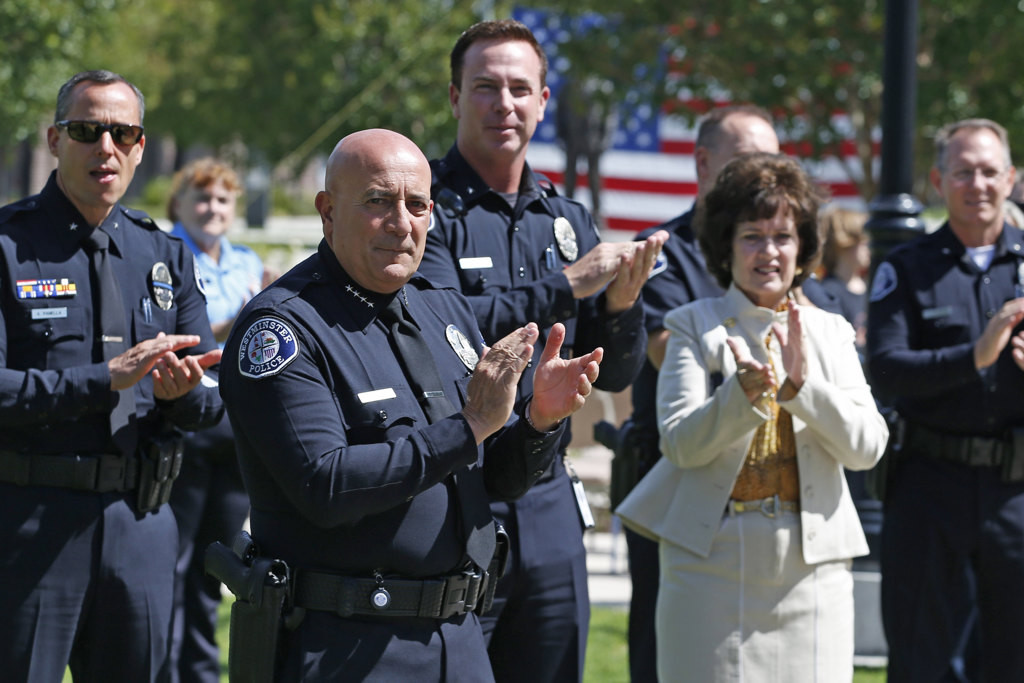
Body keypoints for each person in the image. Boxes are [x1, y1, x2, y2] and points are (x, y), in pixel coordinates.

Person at [217, 128, 603, 681]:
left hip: (459, 637)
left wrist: (538, 420)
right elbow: (324, 486)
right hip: (348, 642)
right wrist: (470, 425)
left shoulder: (441, 309)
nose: (402, 222)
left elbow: (492, 478)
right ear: (328, 211)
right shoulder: (283, 329)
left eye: (417, 204)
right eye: (378, 201)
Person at [420, 19, 667, 682]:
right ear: (453, 97)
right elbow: (444, 327)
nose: (504, 103)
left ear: (543, 102)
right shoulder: (425, 211)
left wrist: (618, 307)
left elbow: (613, 370)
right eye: (485, 87)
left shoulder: (567, 219)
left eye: (519, 89)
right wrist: (564, 286)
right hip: (459, 492)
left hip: (550, 498)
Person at [618, 152, 887, 682]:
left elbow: (867, 448)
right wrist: (739, 399)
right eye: (752, 236)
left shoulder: (830, 331)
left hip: (813, 574)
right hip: (706, 565)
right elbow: (680, 445)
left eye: (783, 236)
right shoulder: (692, 325)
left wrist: (800, 389)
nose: (770, 251)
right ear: (725, 246)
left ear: (803, 246)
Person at [0, 70, 223, 681]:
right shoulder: (7, 246)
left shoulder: (164, 254)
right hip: (31, 523)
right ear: (53, 139)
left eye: (123, 133)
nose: (106, 148)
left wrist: (181, 396)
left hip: (141, 523)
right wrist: (106, 378)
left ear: (140, 146)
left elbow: (208, 397)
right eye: (87, 130)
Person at [619, 103, 780, 682]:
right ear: (704, 164)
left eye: (772, 163)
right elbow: (666, 348)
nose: (764, 178)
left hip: (768, 484)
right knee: (666, 654)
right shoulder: (662, 249)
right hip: (677, 483)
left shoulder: (781, 254)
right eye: (747, 162)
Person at [868, 118, 1024, 682]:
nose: (977, 184)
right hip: (928, 484)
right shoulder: (906, 268)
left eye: (989, 171)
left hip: (1016, 492)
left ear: (1011, 177)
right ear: (938, 180)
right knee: (921, 658)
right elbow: (885, 370)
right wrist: (974, 357)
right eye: (963, 172)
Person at [165, 158, 276, 683]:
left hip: (236, 427)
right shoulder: (164, 256)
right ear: (178, 205)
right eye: (201, 198)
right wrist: (234, 321)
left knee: (216, 564)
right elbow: (180, 333)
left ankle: (201, 673)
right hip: (184, 420)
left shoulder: (247, 261)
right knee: (172, 564)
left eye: (223, 200)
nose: (212, 209)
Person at [819, 207, 869, 352]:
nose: (869, 246)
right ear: (844, 243)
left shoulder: (871, 285)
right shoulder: (827, 292)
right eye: (864, 240)